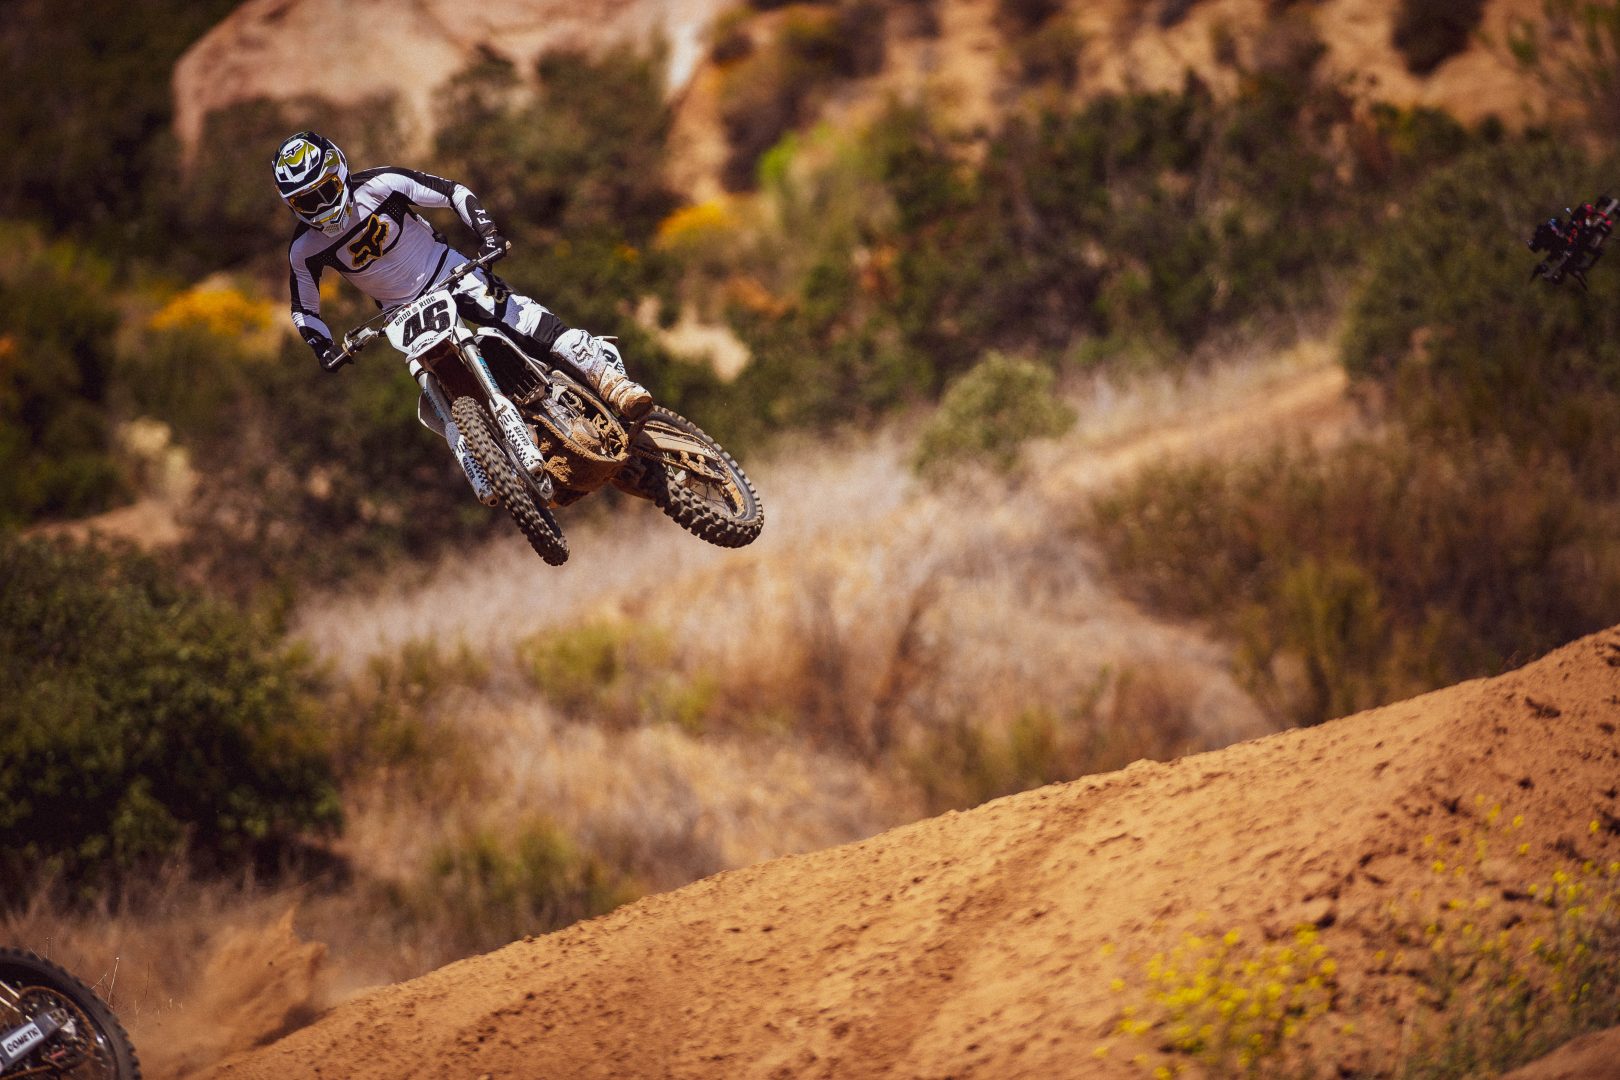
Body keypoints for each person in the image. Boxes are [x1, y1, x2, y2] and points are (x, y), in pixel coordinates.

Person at [272, 130, 652, 420]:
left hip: (451, 272)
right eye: (307, 201)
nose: (321, 206)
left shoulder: (382, 184)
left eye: (326, 190)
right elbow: (304, 310)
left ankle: (613, 382)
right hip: (400, 315)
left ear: (339, 171)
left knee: (526, 321)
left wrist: (488, 234)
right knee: (436, 391)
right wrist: (322, 348)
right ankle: (483, 457)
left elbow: (452, 192)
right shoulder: (303, 249)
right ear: (292, 205)